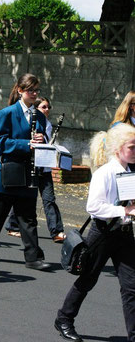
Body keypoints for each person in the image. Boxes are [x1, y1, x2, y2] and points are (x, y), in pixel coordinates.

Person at [54, 123, 135, 342]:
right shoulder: (104, 173)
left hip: (125, 234)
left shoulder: (130, 171)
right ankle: (64, 319)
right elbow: (94, 207)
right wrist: (123, 210)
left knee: (132, 287)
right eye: (132, 147)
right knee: (88, 279)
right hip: (103, 233)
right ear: (118, 148)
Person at [0, 73, 52, 271]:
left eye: (36, 90)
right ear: (20, 90)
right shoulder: (7, 113)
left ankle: (32, 258)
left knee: (28, 217)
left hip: (29, 172)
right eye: (30, 90)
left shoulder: (39, 116)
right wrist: (26, 144)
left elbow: (42, 141)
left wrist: (44, 145)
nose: (34, 94)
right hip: (8, 171)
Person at [5, 97, 66, 242]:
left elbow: (47, 143)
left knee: (49, 199)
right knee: (23, 197)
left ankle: (56, 231)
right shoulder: (29, 123)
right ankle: (13, 225)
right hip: (31, 166)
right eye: (44, 107)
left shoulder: (48, 124)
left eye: (48, 107)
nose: (47, 110)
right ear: (36, 109)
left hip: (44, 167)